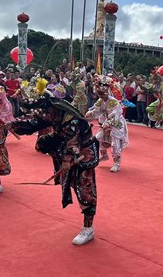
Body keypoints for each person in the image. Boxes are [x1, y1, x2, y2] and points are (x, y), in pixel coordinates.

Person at [12, 92, 99, 245]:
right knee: (44, 143)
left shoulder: (69, 118)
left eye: (43, 111)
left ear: (50, 108)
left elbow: (73, 143)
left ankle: (88, 228)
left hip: (83, 153)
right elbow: (35, 123)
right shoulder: (51, 112)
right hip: (65, 147)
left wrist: (66, 160)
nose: (42, 114)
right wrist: (13, 125)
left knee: (85, 189)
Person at [85, 77, 129, 173]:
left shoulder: (113, 101)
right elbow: (96, 111)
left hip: (117, 124)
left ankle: (116, 163)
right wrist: (89, 114)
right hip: (106, 123)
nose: (101, 95)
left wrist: (108, 123)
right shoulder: (101, 101)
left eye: (102, 93)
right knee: (97, 139)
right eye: (99, 94)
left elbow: (115, 115)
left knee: (115, 144)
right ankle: (104, 155)